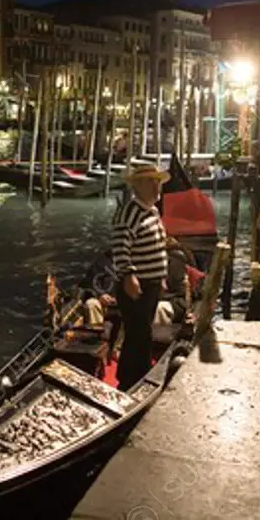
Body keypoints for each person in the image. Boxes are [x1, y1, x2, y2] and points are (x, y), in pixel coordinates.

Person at [110, 164, 170, 390]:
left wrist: (160, 277)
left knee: (142, 330)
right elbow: (120, 247)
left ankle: (132, 375)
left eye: (157, 182)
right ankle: (132, 379)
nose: (157, 187)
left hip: (150, 283)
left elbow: (157, 246)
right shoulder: (129, 213)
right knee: (139, 333)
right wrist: (128, 276)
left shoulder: (151, 211)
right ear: (138, 186)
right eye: (151, 182)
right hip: (136, 284)